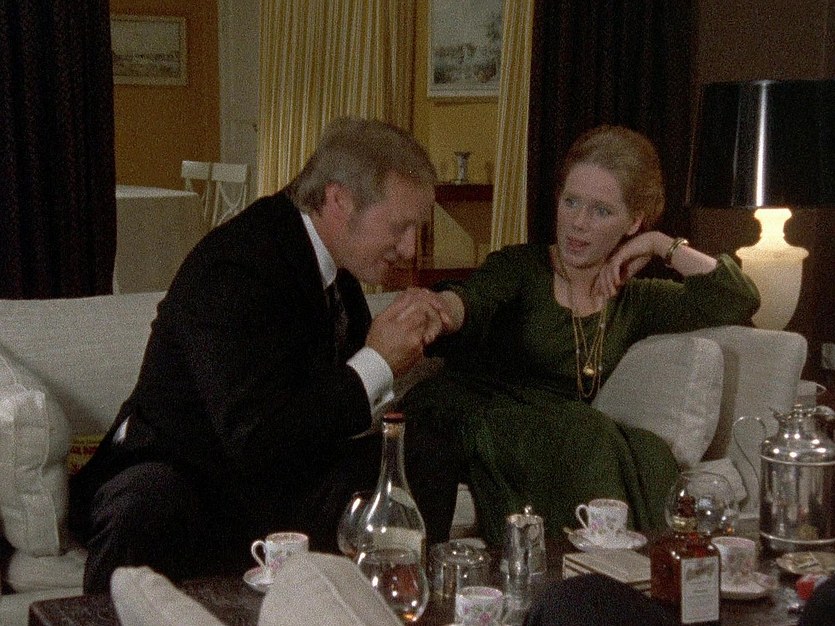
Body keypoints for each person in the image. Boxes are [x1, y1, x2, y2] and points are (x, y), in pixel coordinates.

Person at [68, 117, 460, 593]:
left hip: (270, 478)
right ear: (338, 200)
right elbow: (257, 438)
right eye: (399, 227)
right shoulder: (237, 265)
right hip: (189, 476)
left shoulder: (334, 268)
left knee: (423, 452)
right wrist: (377, 361)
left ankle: (401, 605)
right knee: (149, 504)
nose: (410, 248)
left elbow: (322, 415)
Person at [401, 124, 760, 545]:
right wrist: (444, 310)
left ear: (633, 222)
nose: (578, 223)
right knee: (587, 432)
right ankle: (585, 563)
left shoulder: (635, 300)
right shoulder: (521, 267)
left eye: (601, 211)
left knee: (648, 452)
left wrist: (660, 244)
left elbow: (737, 297)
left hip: (564, 436)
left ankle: (635, 564)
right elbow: (474, 299)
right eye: (570, 202)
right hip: (476, 414)